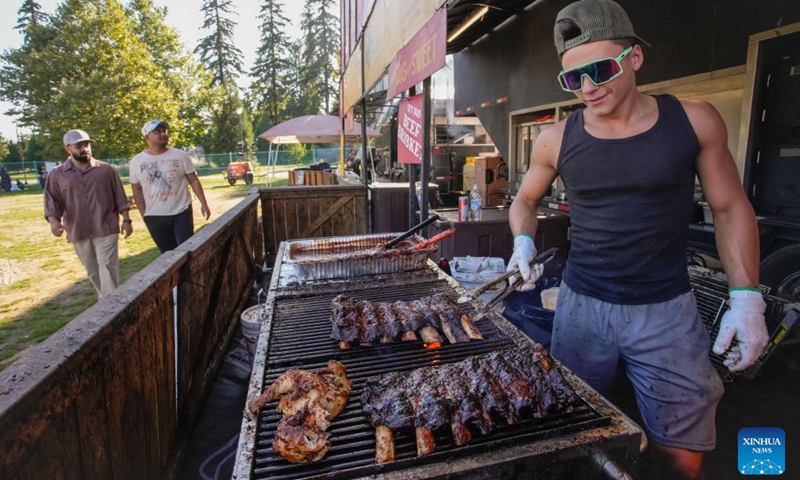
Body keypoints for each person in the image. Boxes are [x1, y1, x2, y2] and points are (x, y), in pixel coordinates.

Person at [506, 1, 767, 479]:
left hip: (666, 309)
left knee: (682, 448)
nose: (587, 87)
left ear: (635, 58)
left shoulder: (694, 121)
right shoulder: (556, 138)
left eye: (600, 69)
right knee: (575, 430)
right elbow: (523, 201)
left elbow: (730, 208)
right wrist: (522, 242)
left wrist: (747, 299)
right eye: (572, 79)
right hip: (581, 307)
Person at [44, 129, 133, 298]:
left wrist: (127, 220)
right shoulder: (57, 174)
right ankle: (104, 301)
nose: (85, 149)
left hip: (106, 226)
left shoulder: (106, 170)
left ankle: (111, 307)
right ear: (68, 148)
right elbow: (52, 200)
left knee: (107, 266)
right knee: (92, 271)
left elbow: (120, 196)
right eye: (79, 146)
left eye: (87, 145)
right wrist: (54, 222)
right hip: (78, 230)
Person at [130, 120, 211, 253]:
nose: (163, 134)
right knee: (168, 255)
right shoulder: (137, 161)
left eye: (164, 131)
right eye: (157, 132)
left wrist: (204, 203)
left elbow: (193, 180)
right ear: (147, 137)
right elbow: (136, 189)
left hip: (181, 211)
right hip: (155, 217)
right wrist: (145, 214)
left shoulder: (180, 155)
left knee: (187, 251)